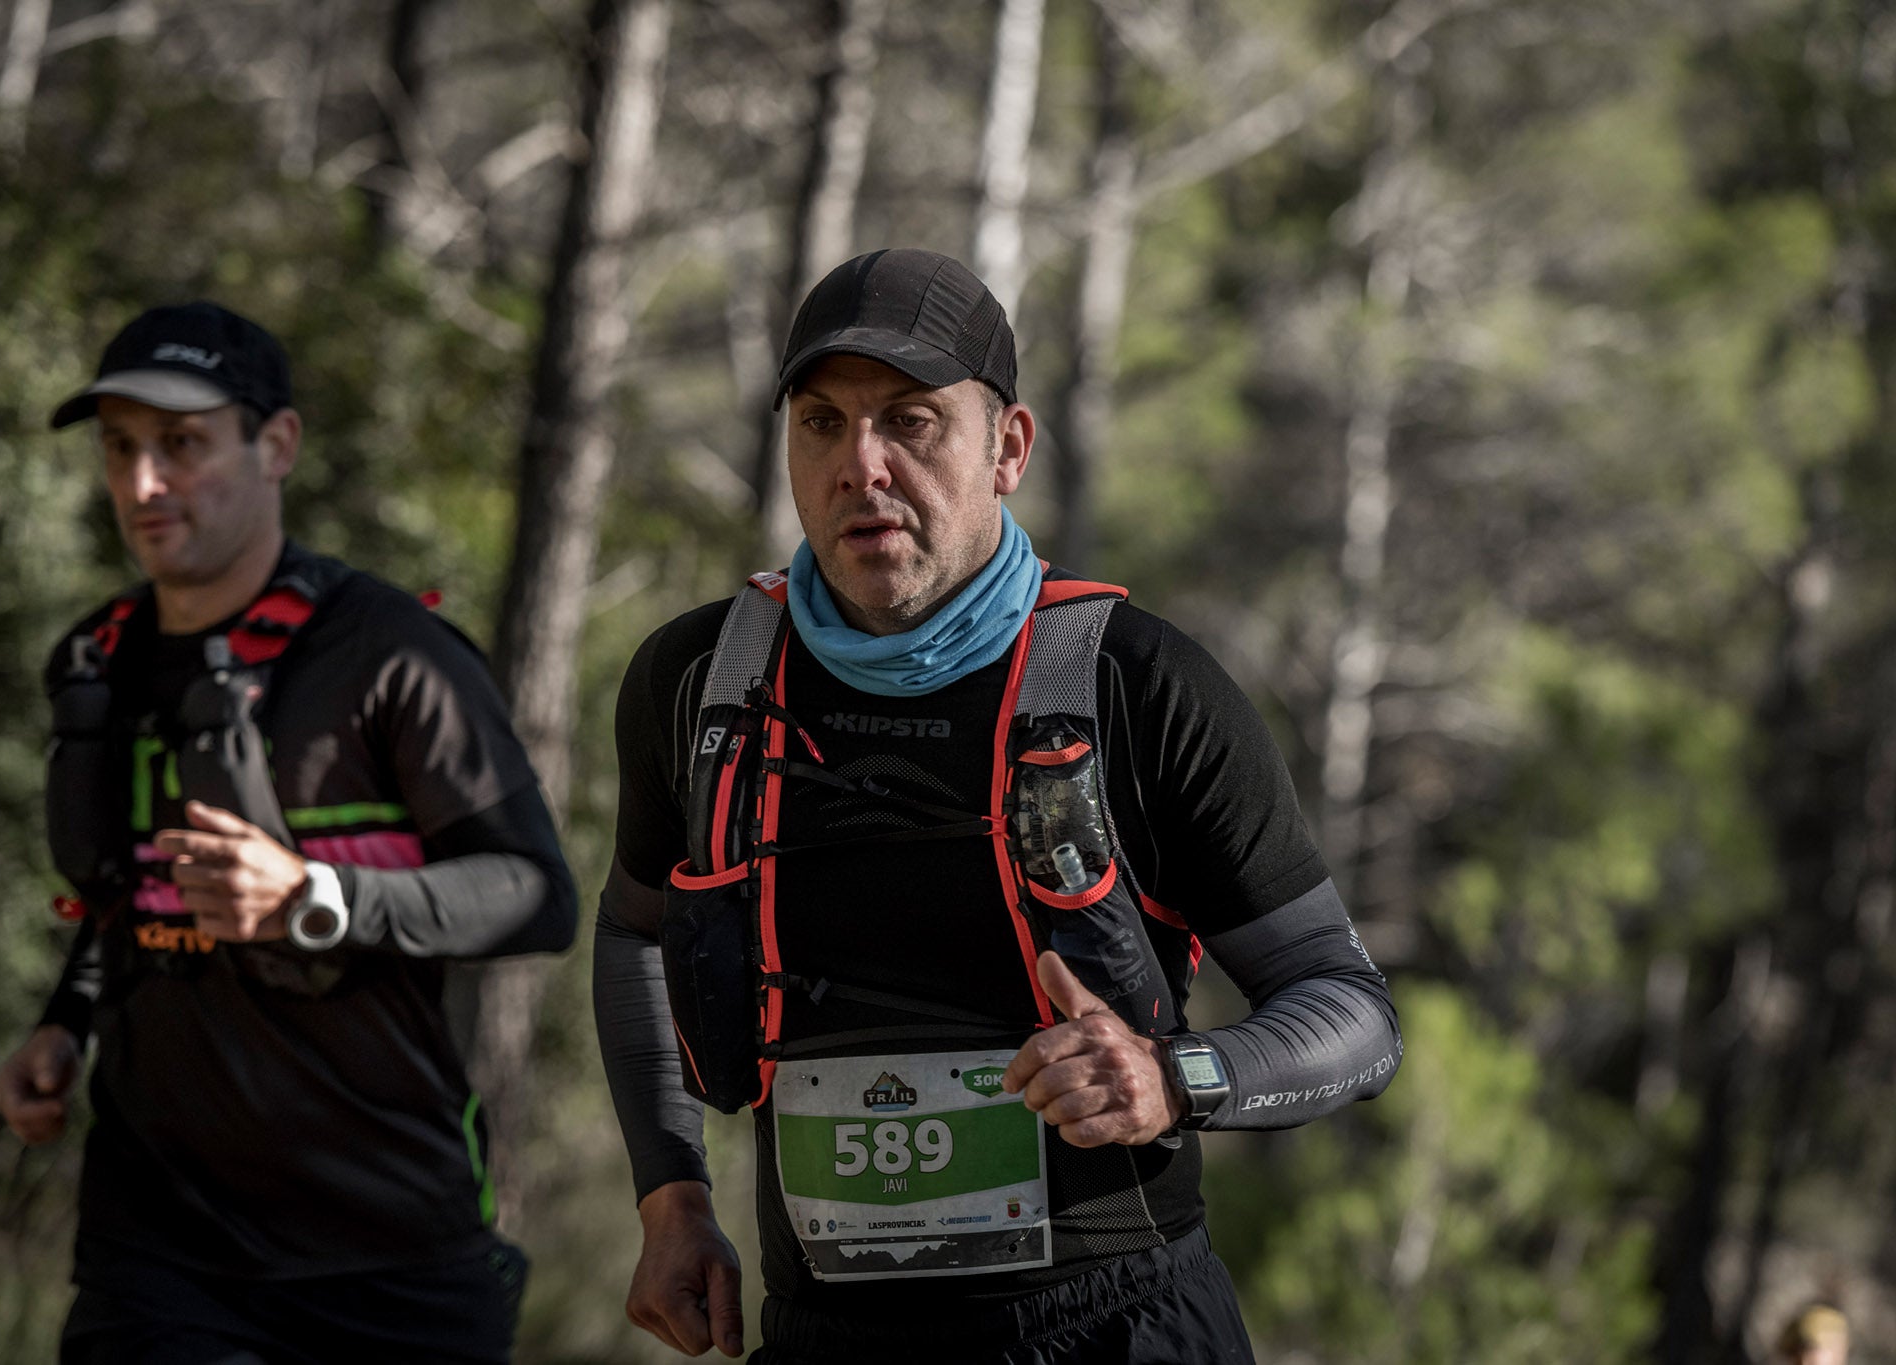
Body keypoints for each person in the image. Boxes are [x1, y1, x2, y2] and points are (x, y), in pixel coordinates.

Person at [593, 248, 1403, 1363]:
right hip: (825, 1331)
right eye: (820, 423)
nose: (859, 466)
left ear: (1007, 447)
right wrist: (669, 1195)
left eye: (911, 422)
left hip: (1113, 1328)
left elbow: (1352, 1012)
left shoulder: (1137, 684)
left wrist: (1176, 1079)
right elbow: (634, 930)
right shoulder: (695, 682)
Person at [0, 301, 578, 1365]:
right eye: (119, 449)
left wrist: (316, 897)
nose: (142, 485)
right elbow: (131, 893)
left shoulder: (393, 654)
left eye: (181, 444)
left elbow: (536, 894)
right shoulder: (94, 661)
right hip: (155, 1251)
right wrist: (62, 1026)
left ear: (277, 445)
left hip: (388, 1252)